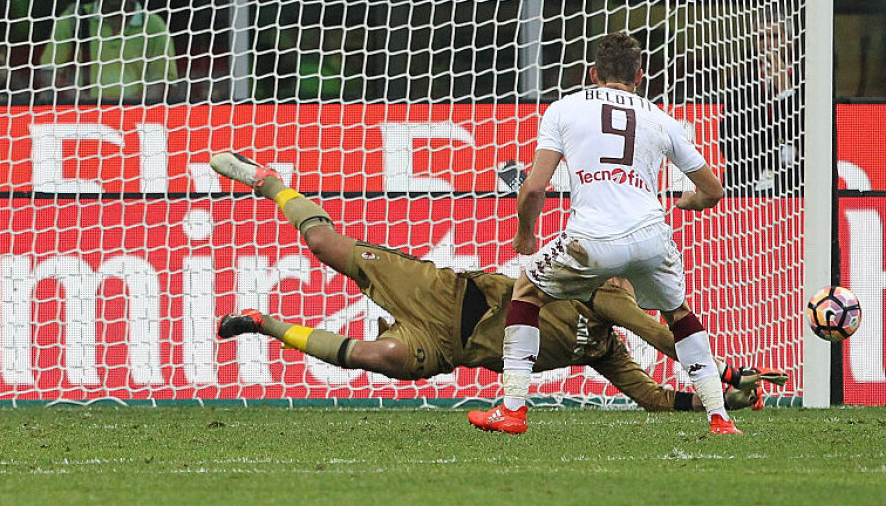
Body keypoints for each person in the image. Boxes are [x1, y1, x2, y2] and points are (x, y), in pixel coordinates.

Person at [209, 152, 785, 413]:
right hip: (446, 293)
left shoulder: (605, 352)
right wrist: (723, 375)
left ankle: (262, 323)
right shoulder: (601, 291)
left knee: (379, 355)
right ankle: (270, 181)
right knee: (323, 245)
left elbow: (654, 398)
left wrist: (717, 399)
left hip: (450, 348)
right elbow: (659, 334)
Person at [469, 32, 736, 436]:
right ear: (640, 76)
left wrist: (526, 235)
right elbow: (713, 190)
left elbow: (534, 188)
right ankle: (720, 416)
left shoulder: (564, 109)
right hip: (650, 236)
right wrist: (691, 203)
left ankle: (512, 409)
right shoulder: (659, 117)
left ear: (592, 73)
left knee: (526, 292)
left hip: (589, 242)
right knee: (679, 315)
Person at [38, 0, 180, 104]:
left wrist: (125, 107)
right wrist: (86, 103)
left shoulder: (153, 25)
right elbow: (48, 72)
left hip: (138, 117)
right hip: (82, 118)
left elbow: (163, 82)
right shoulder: (74, 19)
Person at [718, 7, 802, 196]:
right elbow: (729, 140)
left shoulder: (809, 83)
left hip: (795, 183)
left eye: (773, 36)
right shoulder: (738, 85)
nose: (767, 44)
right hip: (747, 182)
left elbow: (809, 135)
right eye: (761, 38)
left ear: (789, 40)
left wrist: (787, 92)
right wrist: (770, 162)